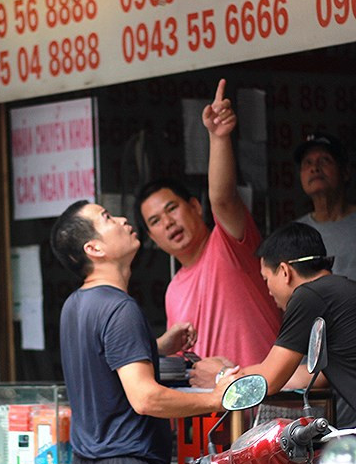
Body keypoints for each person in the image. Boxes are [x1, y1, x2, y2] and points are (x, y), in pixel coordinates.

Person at [51, 200, 240, 464]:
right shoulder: (119, 308)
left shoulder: (75, 305)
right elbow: (145, 398)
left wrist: (159, 347)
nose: (123, 220)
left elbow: (105, 364)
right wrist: (216, 399)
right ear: (94, 248)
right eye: (107, 218)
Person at [136, 79, 281, 367]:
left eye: (172, 208)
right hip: (213, 410)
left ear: (195, 206)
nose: (168, 223)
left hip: (265, 402)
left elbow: (223, 198)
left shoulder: (227, 244)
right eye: (155, 221)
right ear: (151, 237)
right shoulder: (173, 289)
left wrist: (218, 138)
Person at [190, 222, 356, 425]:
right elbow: (311, 375)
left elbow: (269, 381)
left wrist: (221, 376)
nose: (268, 291)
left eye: (266, 279)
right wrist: (238, 371)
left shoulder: (309, 296)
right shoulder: (339, 290)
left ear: (285, 271)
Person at [294, 133, 356, 281]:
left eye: (324, 161)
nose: (314, 168)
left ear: (345, 172)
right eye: (307, 163)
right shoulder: (295, 234)